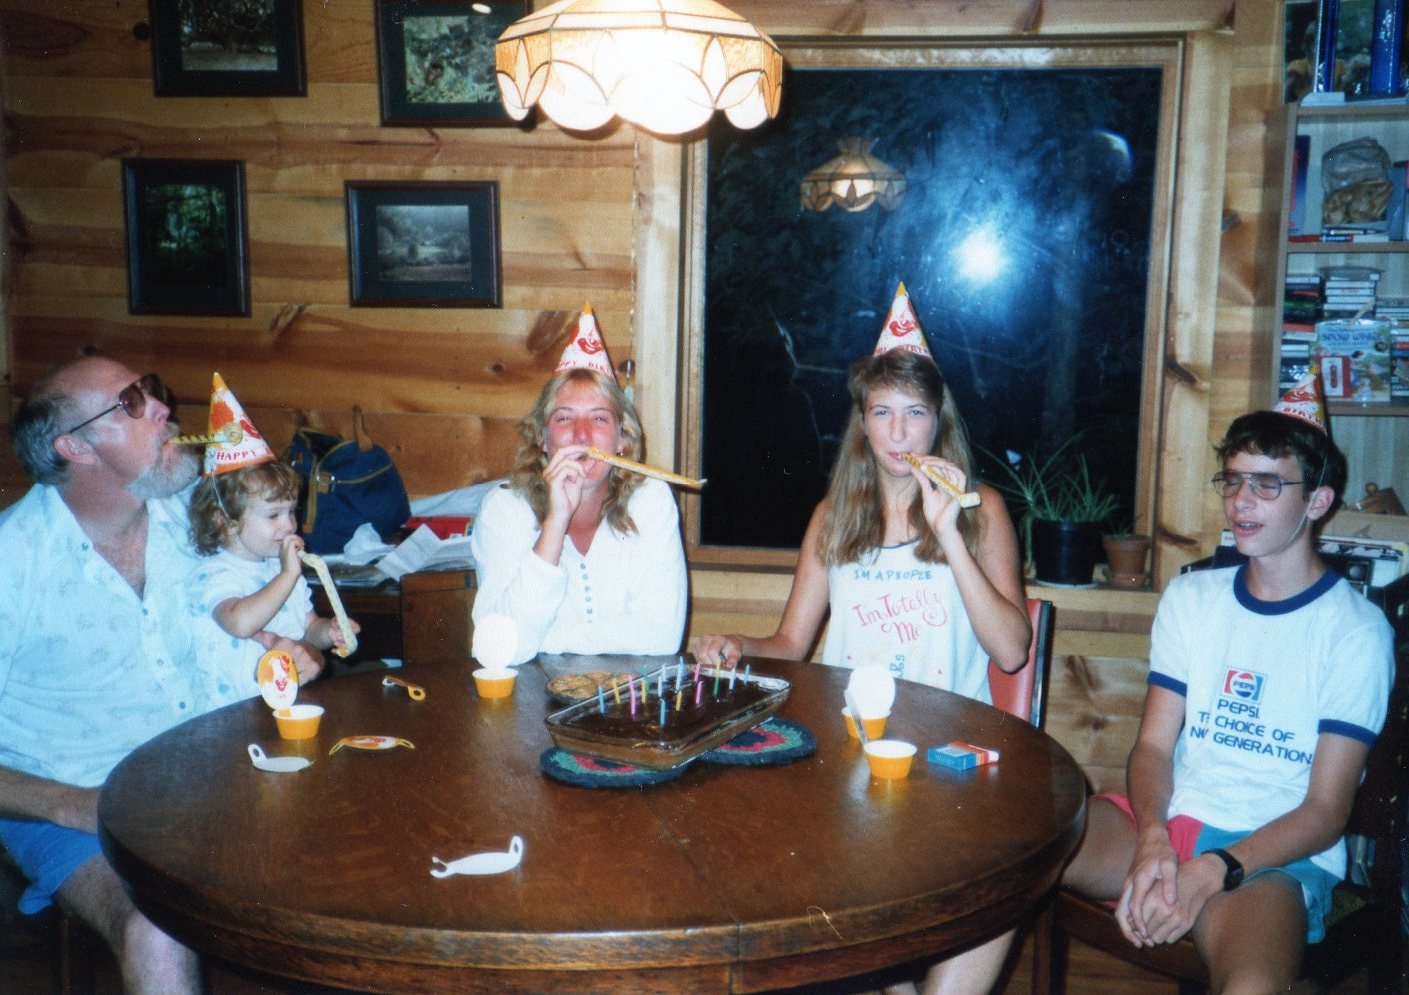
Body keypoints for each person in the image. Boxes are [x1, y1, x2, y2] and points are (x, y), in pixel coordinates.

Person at [693, 285, 1031, 994]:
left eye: (915, 413)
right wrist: (735, 645)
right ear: (863, 425)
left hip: (949, 759)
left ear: (938, 423)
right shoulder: (832, 516)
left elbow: (1010, 651)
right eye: (882, 413)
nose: (899, 433)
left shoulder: (982, 511)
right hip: (853, 755)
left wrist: (948, 533)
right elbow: (791, 641)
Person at [1057, 377, 1394, 994]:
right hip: (1169, 817)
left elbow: (1325, 811)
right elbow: (1153, 747)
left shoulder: (1356, 631)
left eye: (1267, 484)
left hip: (1273, 855)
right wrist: (1152, 841)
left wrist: (1216, 869)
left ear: (1317, 501)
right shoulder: (1192, 597)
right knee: (1015, 856)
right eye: (1233, 480)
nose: (1241, 501)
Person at [0, 355, 324, 993]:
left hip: (214, 773)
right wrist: (68, 803)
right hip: (74, 802)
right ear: (76, 447)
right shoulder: (13, 562)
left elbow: (265, 618)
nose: (162, 406)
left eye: (148, 389)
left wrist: (287, 651)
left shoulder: (199, 522)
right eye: (131, 402)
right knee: (155, 929)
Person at [469, 305, 687, 665]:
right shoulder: (504, 509)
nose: (582, 435)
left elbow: (662, 636)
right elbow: (496, 649)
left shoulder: (651, 500)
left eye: (599, 419)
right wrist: (555, 522)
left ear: (622, 439)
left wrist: (541, 637)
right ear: (543, 439)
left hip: (627, 696)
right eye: (564, 418)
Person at [187, 375, 358, 703]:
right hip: (229, 712)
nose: (289, 525)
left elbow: (308, 630)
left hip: (280, 700)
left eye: (292, 511)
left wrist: (328, 631)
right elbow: (239, 622)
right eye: (273, 515)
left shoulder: (279, 570)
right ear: (225, 521)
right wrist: (288, 575)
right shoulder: (214, 573)